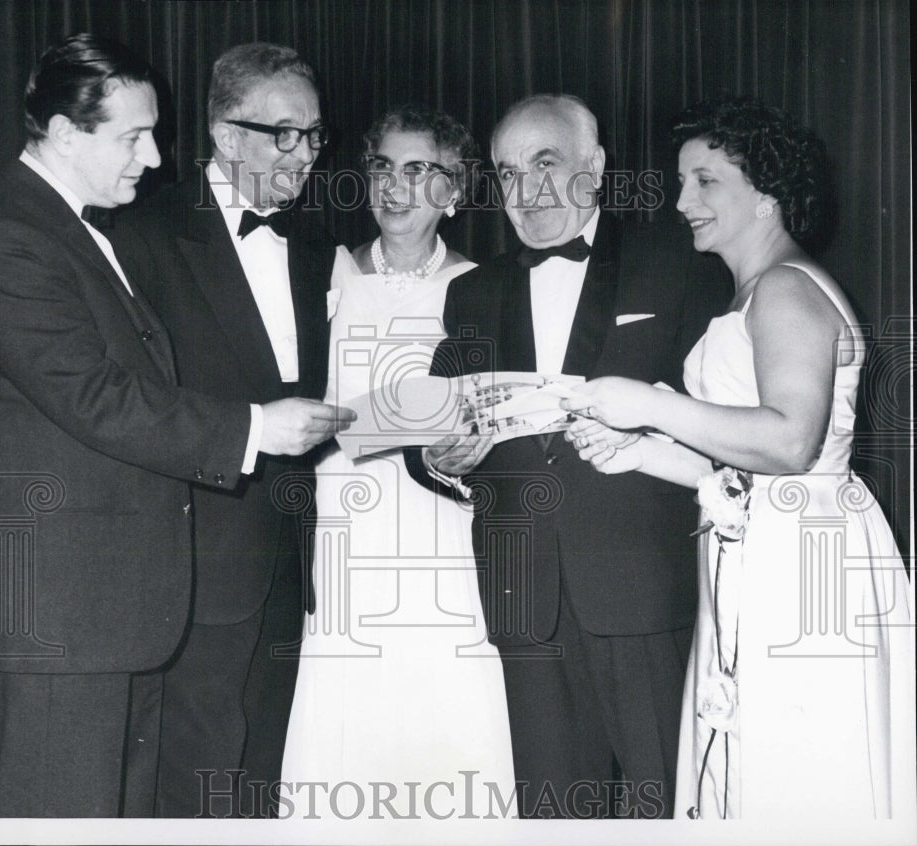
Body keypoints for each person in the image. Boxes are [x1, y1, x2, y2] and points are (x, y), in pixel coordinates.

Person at [0, 34, 349, 818]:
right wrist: (256, 428)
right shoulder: (11, 238)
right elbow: (94, 396)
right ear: (64, 134)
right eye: (132, 136)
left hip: (101, 606)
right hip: (57, 611)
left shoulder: (71, 228)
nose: (155, 157)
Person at [561, 97, 916, 820]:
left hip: (803, 563)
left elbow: (790, 442)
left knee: (802, 771)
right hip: (759, 549)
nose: (683, 199)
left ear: (767, 194)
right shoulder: (753, 290)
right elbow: (731, 468)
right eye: (683, 180)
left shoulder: (786, 288)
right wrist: (636, 450)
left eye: (706, 180)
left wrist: (654, 407)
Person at [406, 93, 732, 818]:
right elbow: (426, 431)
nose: (526, 192)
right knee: (552, 817)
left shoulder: (678, 260)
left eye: (545, 164)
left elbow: (731, 413)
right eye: (508, 172)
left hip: (646, 586)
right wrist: (445, 460)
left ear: (596, 166)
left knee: (668, 806)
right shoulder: (471, 293)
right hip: (526, 595)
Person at [111, 43, 344, 818]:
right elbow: (125, 404)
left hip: (288, 559)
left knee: (259, 784)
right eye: (285, 133)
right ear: (224, 133)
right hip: (192, 561)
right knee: (192, 784)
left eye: (313, 135)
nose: (305, 154)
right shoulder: (138, 232)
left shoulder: (313, 245)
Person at [279, 106, 517, 816]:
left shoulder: (486, 286)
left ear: (454, 191)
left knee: (445, 720)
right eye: (383, 166)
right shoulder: (321, 275)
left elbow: (499, 422)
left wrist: (471, 445)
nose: (394, 187)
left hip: (442, 541)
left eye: (419, 171)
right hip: (343, 538)